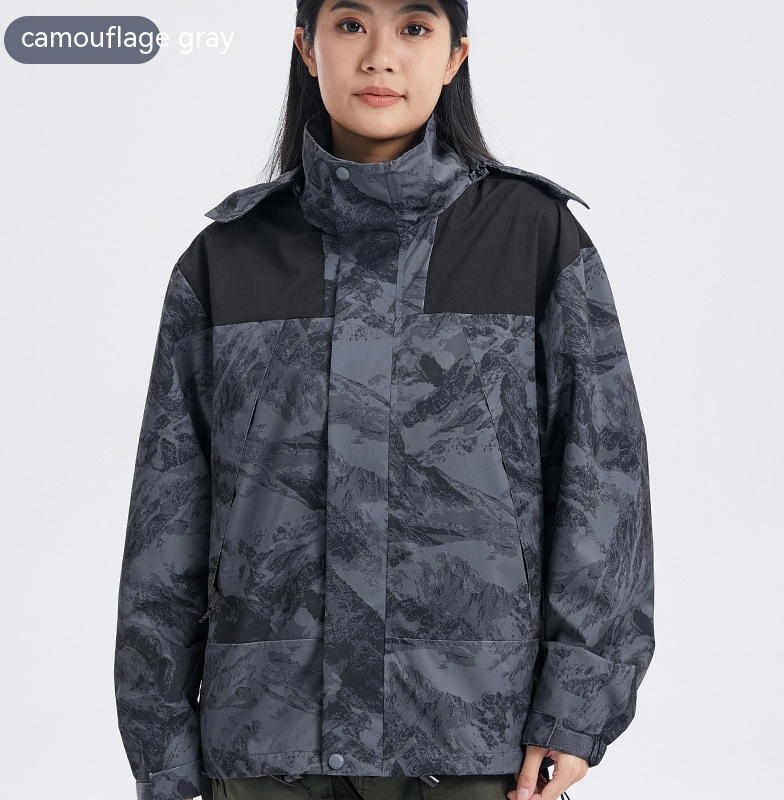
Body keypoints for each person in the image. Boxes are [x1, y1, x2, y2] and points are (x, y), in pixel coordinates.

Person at [113, 1, 655, 799]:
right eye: (349, 24)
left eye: (413, 27)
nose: (379, 56)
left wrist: (576, 707)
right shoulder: (225, 261)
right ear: (306, 48)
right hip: (267, 750)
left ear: (456, 54)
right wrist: (161, 746)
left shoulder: (532, 242)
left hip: (473, 742)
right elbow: (169, 519)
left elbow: (603, 485)